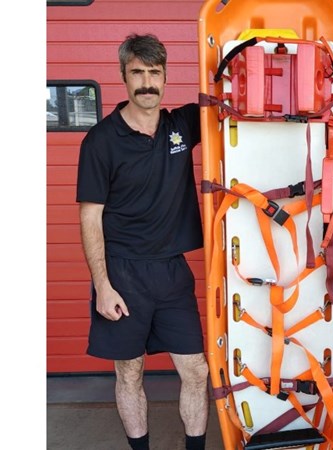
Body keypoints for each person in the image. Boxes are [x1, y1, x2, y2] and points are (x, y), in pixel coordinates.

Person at [76, 33, 208, 450]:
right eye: (137, 73)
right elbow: (90, 216)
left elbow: (232, 102)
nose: (147, 83)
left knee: (197, 371)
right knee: (130, 372)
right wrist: (102, 285)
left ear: (166, 77)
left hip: (172, 272)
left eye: (154, 73)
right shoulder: (101, 141)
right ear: (123, 76)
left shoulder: (182, 125)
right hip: (123, 273)